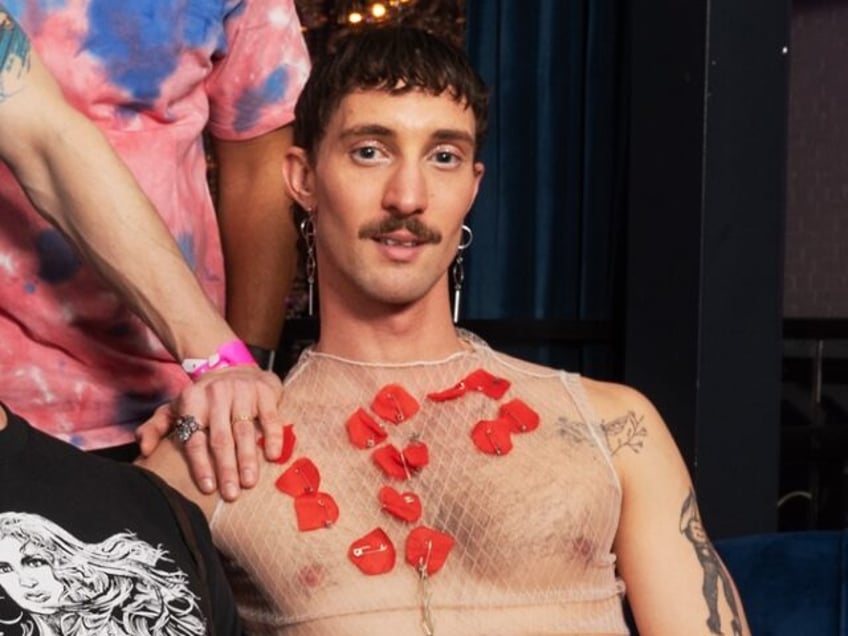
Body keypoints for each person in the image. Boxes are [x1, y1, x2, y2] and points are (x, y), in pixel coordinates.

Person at [142, 26, 750, 635]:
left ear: (472, 187)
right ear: (302, 179)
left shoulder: (616, 430)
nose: (408, 196)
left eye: (443, 156)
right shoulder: (219, 449)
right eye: (370, 151)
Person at [0, 5, 293, 498]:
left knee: (157, 555)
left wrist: (229, 366)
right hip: (11, 411)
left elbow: (46, 139)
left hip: (162, 407)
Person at [0, 402, 242, 634]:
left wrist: (223, 366)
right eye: (4, 568)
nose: (25, 582)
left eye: (34, 562)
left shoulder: (150, 499)